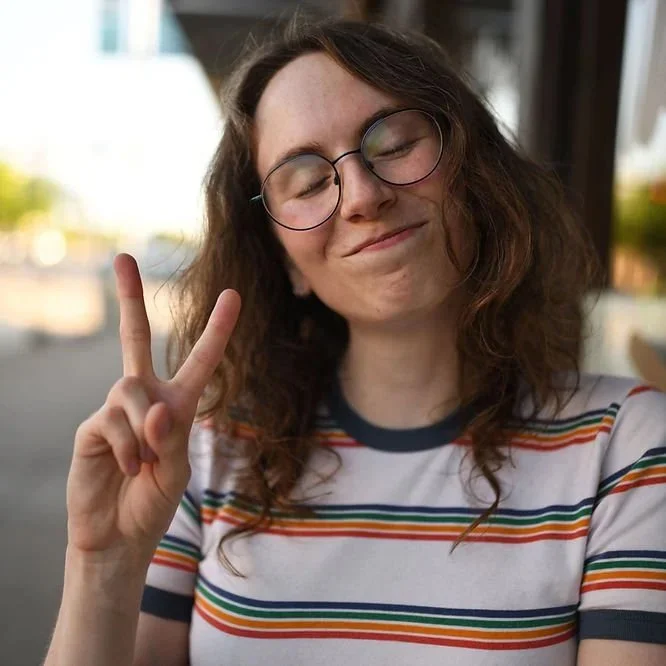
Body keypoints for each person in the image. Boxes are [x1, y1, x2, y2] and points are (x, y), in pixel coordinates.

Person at [44, 17, 666, 666]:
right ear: (284, 260)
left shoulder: (623, 448)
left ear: (472, 174)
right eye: (308, 183)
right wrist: (104, 566)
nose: (363, 195)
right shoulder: (201, 455)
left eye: (395, 144)